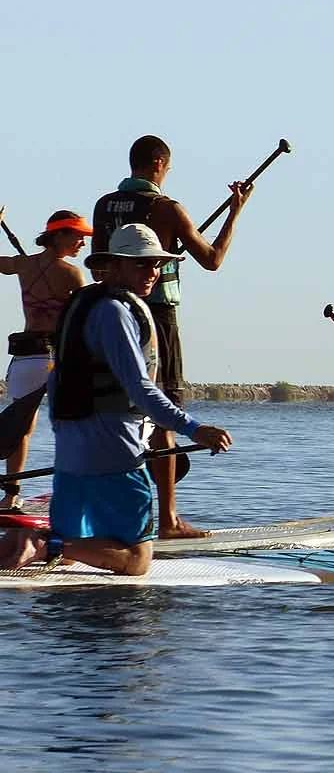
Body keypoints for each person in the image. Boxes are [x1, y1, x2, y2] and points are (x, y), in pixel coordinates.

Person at [0, 224, 231, 574]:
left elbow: (61, 385)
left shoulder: (82, 306)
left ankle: (26, 546)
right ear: (115, 265)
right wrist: (194, 429)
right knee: (137, 561)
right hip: (115, 451)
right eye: (141, 264)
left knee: (79, 535)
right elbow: (139, 387)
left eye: (156, 264)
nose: (152, 272)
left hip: (72, 452)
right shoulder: (116, 312)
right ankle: (45, 544)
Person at [92, 135, 251, 539]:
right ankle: (168, 519)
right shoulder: (167, 209)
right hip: (156, 316)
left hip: (109, 309)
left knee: (117, 405)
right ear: (159, 163)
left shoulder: (104, 205)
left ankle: (115, 513)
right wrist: (235, 213)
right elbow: (213, 260)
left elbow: (97, 269)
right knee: (162, 409)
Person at [0, 211, 90, 509]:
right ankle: (76, 489)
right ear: (58, 235)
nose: (82, 243)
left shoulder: (23, 265)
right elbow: (88, 312)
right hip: (55, 357)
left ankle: (10, 495)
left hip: (25, 359)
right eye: (78, 236)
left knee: (20, 429)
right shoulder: (73, 274)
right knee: (73, 426)